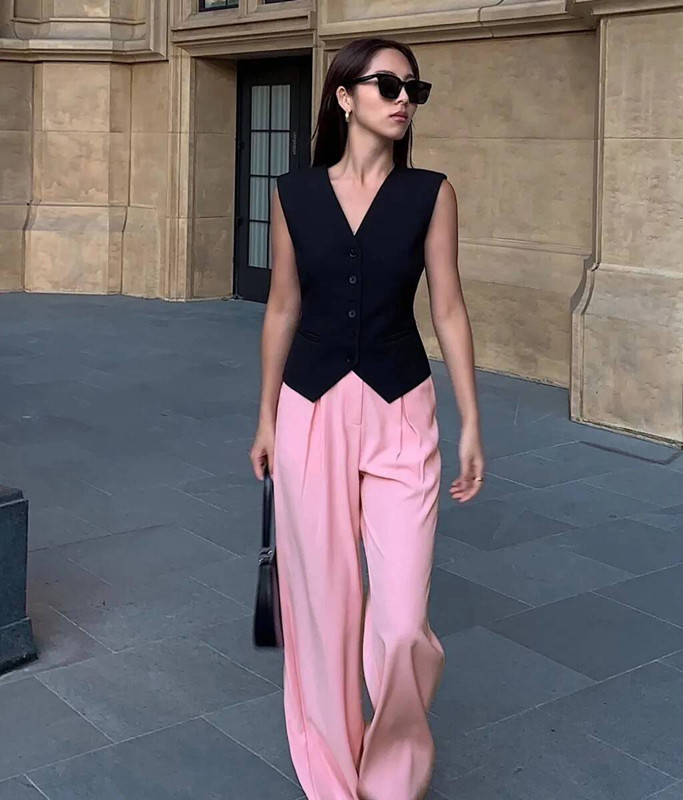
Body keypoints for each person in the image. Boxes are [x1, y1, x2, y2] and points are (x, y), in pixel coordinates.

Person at [249, 36, 485, 800]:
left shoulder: (431, 195)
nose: (404, 99)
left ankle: (392, 778)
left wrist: (471, 420)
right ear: (345, 97)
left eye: (414, 88)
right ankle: (331, 777)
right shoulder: (294, 194)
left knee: (402, 622)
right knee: (322, 612)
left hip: (401, 410)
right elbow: (282, 307)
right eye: (388, 85)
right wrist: (266, 418)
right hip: (310, 410)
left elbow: (448, 309)